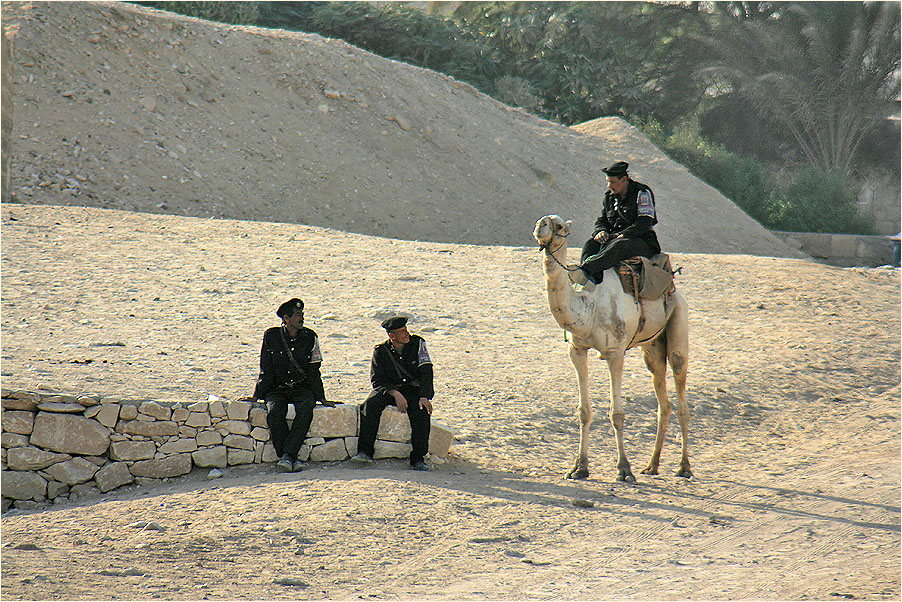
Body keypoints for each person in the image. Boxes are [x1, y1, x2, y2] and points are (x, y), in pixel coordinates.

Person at [239, 298, 333, 473]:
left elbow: (314, 369)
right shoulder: (271, 336)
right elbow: (265, 368)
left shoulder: (310, 337)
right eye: (298, 315)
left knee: (306, 409)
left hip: (301, 387)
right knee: (275, 413)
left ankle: (287, 456)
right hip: (277, 388)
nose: (301, 318)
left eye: (302, 314)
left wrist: (321, 397)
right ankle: (289, 456)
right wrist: (257, 395)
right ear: (286, 318)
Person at [351, 316, 434, 471]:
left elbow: (426, 370)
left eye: (406, 330)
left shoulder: (418, 344)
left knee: (421, 411)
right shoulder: (380, 351)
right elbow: (376, 380)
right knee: (370, 405)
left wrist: (424, 396)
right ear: (392, 336)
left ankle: (418, 458)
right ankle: (365, 452)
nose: (406, 334)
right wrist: (395, 393)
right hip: (390, 389)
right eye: (402, 332)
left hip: (412, 389)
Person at [571, 161, 661, 285]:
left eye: (612, 182)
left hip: (640, 241)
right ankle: (593, 280)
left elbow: (645, 221)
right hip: (616, 239)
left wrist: (624, 234)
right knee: (590, 244)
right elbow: (602, 219)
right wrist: (600, 231)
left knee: (620, 246)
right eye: (608, 182)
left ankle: (585, 270)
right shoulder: (610, 197)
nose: (609, 186)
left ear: (624, 180)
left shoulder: (642, 193)